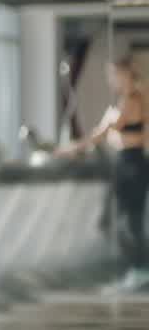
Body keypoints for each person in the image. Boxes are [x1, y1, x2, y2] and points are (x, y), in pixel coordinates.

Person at [59, 57, 147, 292]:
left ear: (125, 75)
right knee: (129, 222)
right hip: (131, 162)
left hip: (131, 164)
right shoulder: (131, 99)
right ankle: (137, 269)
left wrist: (72, 148)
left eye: (113, 75)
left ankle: (139, 270)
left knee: (125, 223)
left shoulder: (131, 100)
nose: (111, 80)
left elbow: (104, 132)